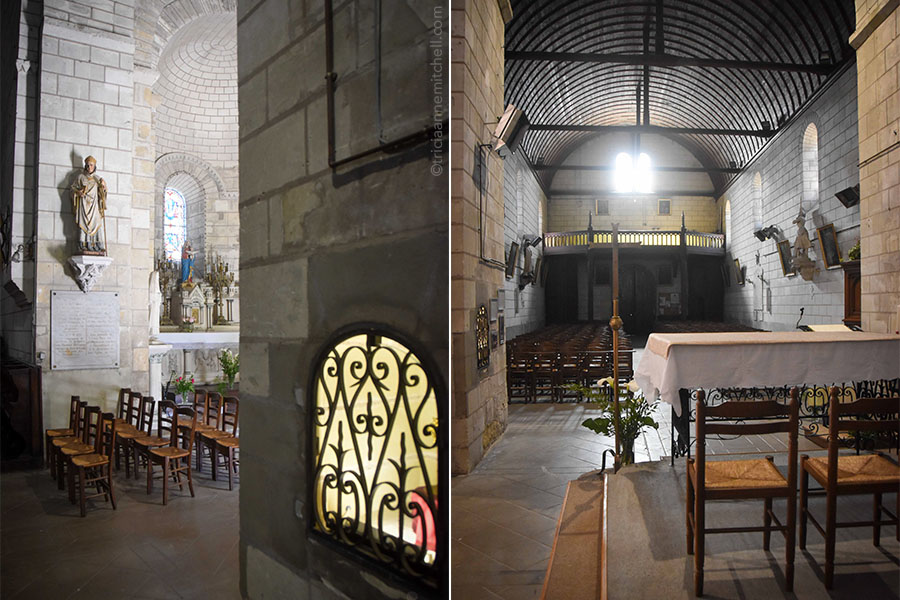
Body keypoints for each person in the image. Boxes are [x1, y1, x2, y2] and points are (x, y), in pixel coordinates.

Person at [70, 155, 107, 253]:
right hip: (84, 206)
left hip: (94, 206)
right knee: (84, 224)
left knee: (96, 224)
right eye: (87, 165)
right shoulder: (80, 177)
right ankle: (84, 244)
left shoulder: (97, 178)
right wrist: (78, 193)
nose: (89, 167)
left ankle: (96, 245)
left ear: (94, 166)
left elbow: (102, 194)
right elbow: (73, 189)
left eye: (91, 165)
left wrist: (103, 187)